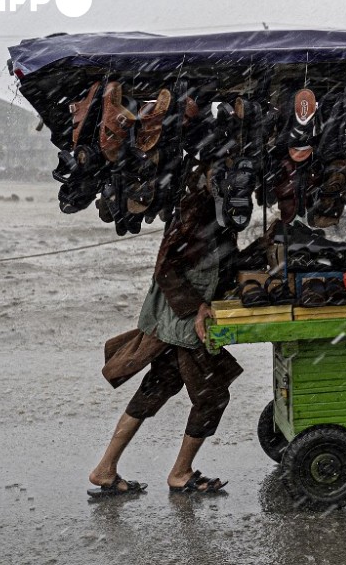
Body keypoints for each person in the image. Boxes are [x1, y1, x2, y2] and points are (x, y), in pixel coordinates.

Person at [87, 168, 242, 496]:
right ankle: (181, 474)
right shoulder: (194, 213)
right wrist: (199, 306)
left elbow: (227, 264)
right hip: (180, 326)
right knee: (211, 397)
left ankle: (104, 469)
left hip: (179, 328)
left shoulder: (223, 212)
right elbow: (165, 270)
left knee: (153, 392)